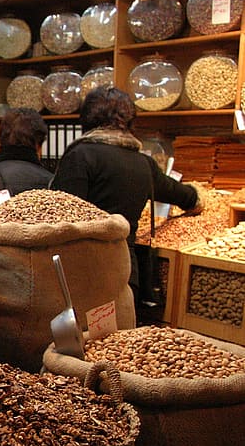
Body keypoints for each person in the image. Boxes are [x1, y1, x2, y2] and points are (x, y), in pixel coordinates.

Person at [49, 86, 203, 302]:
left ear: (86, 119)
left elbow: (59, 215)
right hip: (126, 271)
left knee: (89, 335)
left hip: (83, 272)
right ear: (130, 121)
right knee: (121, 332)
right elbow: (180, 195)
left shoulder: (80, 155)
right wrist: (197, 198)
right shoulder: (143, 162)